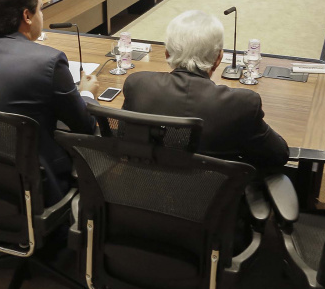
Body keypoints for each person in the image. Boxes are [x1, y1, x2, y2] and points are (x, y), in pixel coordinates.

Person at [0, 0, 98, 205]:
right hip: (41, 183)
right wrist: (87, 93)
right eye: (40, 9)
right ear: (27, 16)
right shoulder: (49, 61)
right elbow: (85, 127)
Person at [122, 10, 289, 173]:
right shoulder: (242, 104)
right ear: (219, 58)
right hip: (214, 198)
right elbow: (278, 155)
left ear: (167, 54)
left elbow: (122, 136)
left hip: (141, 193)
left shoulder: (138, 85)